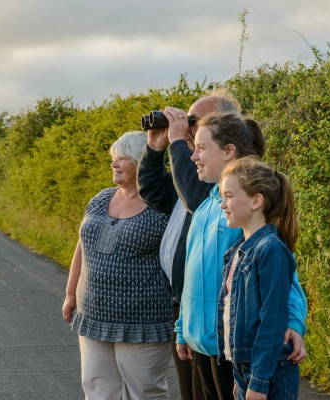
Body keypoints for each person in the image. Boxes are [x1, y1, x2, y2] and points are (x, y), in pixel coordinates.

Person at [169, 111, 307, 399]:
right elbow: (191, 276)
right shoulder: (207, 206)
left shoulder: (247, 212)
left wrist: (293, 322)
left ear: (229, 152)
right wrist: (183, 329)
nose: (193, 156)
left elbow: (283, 281)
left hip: (230, 348)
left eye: (201, 148)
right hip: (199, 344)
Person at [137, 89, 242, 400]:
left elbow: (197, 197)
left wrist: (178, 143)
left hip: (218, 318)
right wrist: (157, 148)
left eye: (195, 121)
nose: (188, 127)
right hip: (187, 309)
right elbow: (152, 191)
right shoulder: (194, 169)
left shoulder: (231, 183)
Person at [62, 131, 174, 400]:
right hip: (93, 314)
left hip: (143, 321)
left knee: (145, 392)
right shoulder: (101, 199)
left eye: (122, 158)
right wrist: (69, 293)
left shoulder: (163, 205)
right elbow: (82, 246)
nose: (114, 163)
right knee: (98, 390)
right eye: (113, 157)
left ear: (143, 162)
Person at [217, 157, 300, 399]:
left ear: (256, 200)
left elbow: (272, 321)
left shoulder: (270, 249)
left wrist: (259, 382)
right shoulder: (238, 250)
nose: (222, 204)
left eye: (229, 196)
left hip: (269, 372)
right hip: (246, 370)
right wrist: (239, 377)